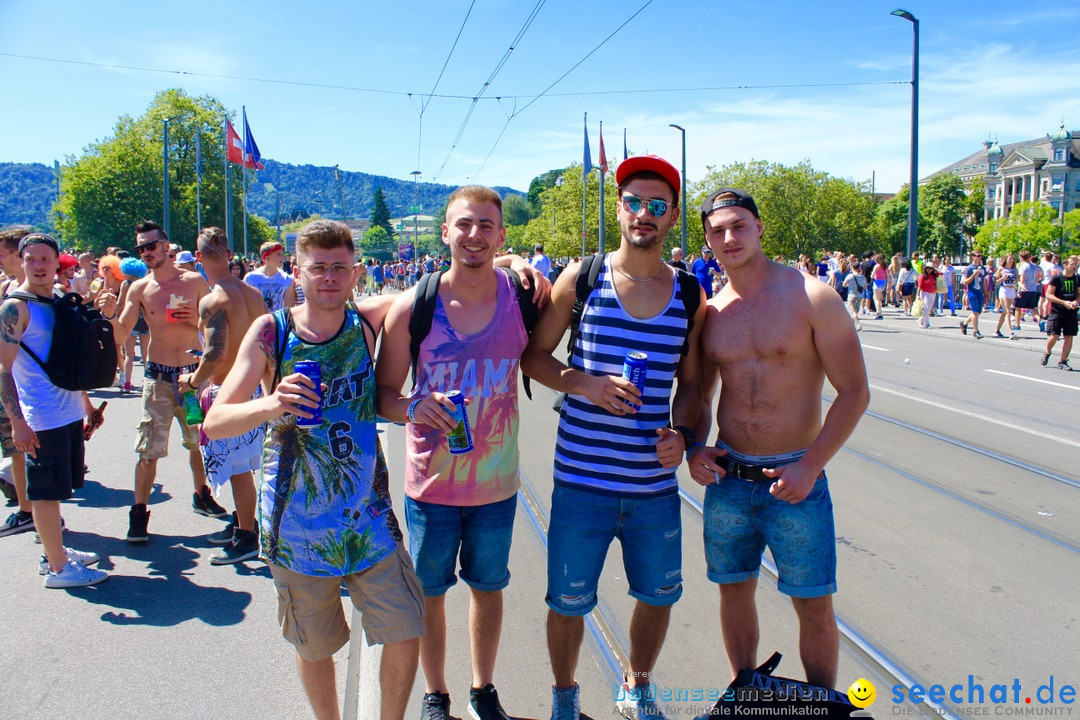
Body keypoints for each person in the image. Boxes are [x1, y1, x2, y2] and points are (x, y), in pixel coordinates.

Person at [202, 219, 423, 720]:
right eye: (318, 267)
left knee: (407, 626)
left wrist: (512, 264)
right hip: (296, 525)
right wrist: (271, 403)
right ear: (296, 273)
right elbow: (216, 421)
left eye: (339, 268)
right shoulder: (271, 332)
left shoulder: (367, 322)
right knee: (315, 645)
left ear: (356, 273)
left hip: (368, 517)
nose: (329, 277)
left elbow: (438, 285)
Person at [521, 155, 706, 720]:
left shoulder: (690, 294)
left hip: (652, 486)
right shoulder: (585, 277)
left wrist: (684, 433)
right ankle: (565, 695)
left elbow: (694, 386)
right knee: (568, 602)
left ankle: (637, 682)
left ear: (672, 217)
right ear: (618, 207)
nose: (643, 214)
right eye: (633, 202)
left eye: (657, 205)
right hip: (582, 481)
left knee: (657, 596)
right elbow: (532, 356)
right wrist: (585, 384)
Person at [376, 186, 550, 720]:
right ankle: (437, 693)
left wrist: (523, 264)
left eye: (486, 226)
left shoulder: (522, 299)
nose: (474, 235)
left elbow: (545, 350)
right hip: (432, 486)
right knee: (430, 593)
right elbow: (383, 395)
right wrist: (414, 407)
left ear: (500, 235)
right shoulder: (414, 307)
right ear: (446, 231)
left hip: (496, 486)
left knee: (488, 588)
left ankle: (483, 687)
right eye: (464, 224)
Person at [687, 188, 869, 697]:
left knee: (813, 601)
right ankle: (743, 695)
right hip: (728, 478)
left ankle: (821, 707)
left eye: (739, 225)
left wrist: (810, 466)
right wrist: (695, 447)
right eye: (718, 230)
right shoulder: (711, 311)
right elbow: (701, 396)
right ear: (707, 240)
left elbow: (854, 391)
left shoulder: (812, 296)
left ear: (759, 228)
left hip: (796, 478)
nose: (729, 237)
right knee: (733, 590)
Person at [101, 221, 223, 542]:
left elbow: (217, 326)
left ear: (165, 246)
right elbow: (121, 334)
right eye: (141, 248)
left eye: (150, 246)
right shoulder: (139, 288)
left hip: (192, 379)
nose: (146, 253)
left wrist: (195, 319)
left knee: (197, 441)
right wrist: (112, 315)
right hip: (157, 378)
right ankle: (139, 512)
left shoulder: (195, 281)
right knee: (148, 449)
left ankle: (202, 494)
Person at [0, 233, 107, 587]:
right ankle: (59, 570)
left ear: (57, 261)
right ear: (21, 261)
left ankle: (54, 552)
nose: (38, 265)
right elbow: (3, 371)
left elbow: (71, 359)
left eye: (45, 259)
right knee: (44, 492)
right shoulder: (16, 307)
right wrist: (18, 423)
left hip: (67, 411)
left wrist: (86, 404)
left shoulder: (56, 298)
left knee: (59, 488)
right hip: (40, 416)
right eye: (31, 259)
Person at [172, 227, 269, 565]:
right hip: (252, 388)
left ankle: (246, 535)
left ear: (197, 259)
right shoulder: (253, 294)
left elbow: (214, 353)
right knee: (240, 466)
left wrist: (192, 380)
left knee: (239, 470)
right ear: (230, 255)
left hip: (227, 392)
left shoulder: (213, 300)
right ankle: (241, 523)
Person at [0, 226, 33, 538]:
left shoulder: (24, 294)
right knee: (13, 451)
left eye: (2, 252)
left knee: (21, 449)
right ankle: (26, 508)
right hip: (8, 380)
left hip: (21, 385)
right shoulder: (7, 285)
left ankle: (32, 511)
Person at [1041, 255, 1079, 370]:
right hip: (1057, 311)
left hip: (1071, 312)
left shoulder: (1077, 278)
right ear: (1065, 265)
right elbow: (1049, 294)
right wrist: (1063, 302)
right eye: (1072, 264)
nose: (1075, 267)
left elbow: (1079, 294)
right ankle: (1047, 352)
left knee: (1069, 336)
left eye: (1076, 265)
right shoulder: (1057, 278)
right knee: (1054, 335)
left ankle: (1063, 361)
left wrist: (1076, 302)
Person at [245, 241, 297, 312]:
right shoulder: (250, 278)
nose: (282, 257)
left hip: (278, 322)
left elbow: (288, 310)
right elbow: (246, 307)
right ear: (266, 257)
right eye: (278, 254)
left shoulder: (287, 279)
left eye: (282, 254)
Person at [959, 252, 987, 340]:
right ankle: (975, 331)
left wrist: (986, 294)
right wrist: (973, 275)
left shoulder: (983, 268)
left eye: (980, 256)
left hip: (980, 292)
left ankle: (964, 323)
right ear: (972, 257)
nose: (979, 258)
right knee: (975, 312)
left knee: (978, 312)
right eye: (977, 256)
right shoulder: (969, 268)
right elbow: (964, 281)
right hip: (972, 292)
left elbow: (984, 282)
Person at [1015, 250, 1042, 329]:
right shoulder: (1034, 267)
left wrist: (1019, 290)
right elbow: (1037, 279)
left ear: (1020, 257)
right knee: (1032, 307)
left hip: (1025, 289)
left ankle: (1017, 324)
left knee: (1018, 307)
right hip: (1033, 289)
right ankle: (1040, 320)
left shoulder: (1023, 267)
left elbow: (1022, 280)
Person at [993, 253, 1019, 339]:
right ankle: (1010, 332)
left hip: (1012, 290)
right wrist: (1002, 279)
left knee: (1005, 312)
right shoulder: (1001, 269)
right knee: (1008, 312)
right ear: (1006, 260)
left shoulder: (1015, 270)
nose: (1011, 260)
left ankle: (996, 330)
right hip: (1004, 289)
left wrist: (1020, 289)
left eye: (1012, 259)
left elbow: (1017, 281)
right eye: (1009, 259)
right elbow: (995, 281)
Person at [915, 261, 939, 329]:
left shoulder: (933, 275)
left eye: (931, 268)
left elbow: (941, 273)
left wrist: (935, 268)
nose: (929, 270)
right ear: (925, 268)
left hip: (932, 293)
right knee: (926, 307)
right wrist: (918, 295)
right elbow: (919, 286)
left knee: (929, 308)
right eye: (928, 268)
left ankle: (920, 320)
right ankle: (926, 323)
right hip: (925, 293)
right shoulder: (922, 276)